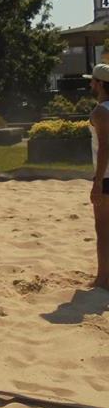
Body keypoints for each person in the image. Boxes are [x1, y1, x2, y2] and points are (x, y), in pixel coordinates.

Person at [86, 64, 109, 289]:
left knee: (102, 229)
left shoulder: (101, 111)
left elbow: (104, 148)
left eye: (93, 80)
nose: (90, 84)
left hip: (108, 176)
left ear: (101, 84)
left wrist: (98, 182)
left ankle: (103, 279)